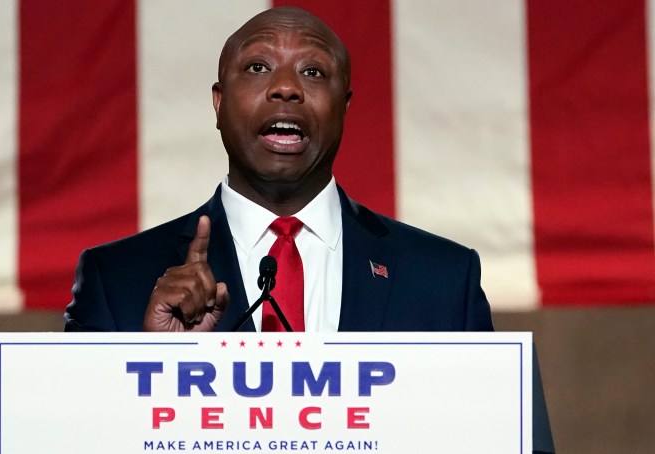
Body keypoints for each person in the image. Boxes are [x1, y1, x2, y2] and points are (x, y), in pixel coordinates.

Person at [63, 7, 553, 452]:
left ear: (344, 105)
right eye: (257, 67)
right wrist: (151, 369)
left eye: (313, 72)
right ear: (218, 102)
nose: (285, 88)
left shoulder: (443, 279)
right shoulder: (117, 278)